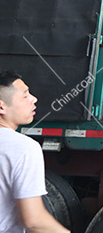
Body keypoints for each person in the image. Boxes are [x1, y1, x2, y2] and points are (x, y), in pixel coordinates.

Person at [0, 70, 70, 233]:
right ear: (1, 107)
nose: (33, 99)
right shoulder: (24, 148)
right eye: (25, 96)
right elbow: (34, 220)